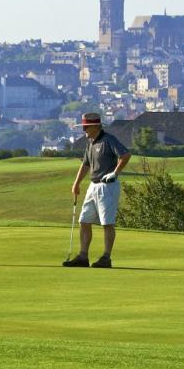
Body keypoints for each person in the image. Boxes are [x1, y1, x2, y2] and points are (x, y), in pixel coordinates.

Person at [63, 113, 131, 269]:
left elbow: (125, 155)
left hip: (107, 186)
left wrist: (115, 172)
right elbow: (85, 165)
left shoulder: (108, 140)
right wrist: (76, 183)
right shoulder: (90, 142)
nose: (84, 130)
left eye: (86, 127)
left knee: (107, 223)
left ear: (95, 126)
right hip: (93, 186)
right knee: (84, 221)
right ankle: (83, 256)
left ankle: (106, 258)